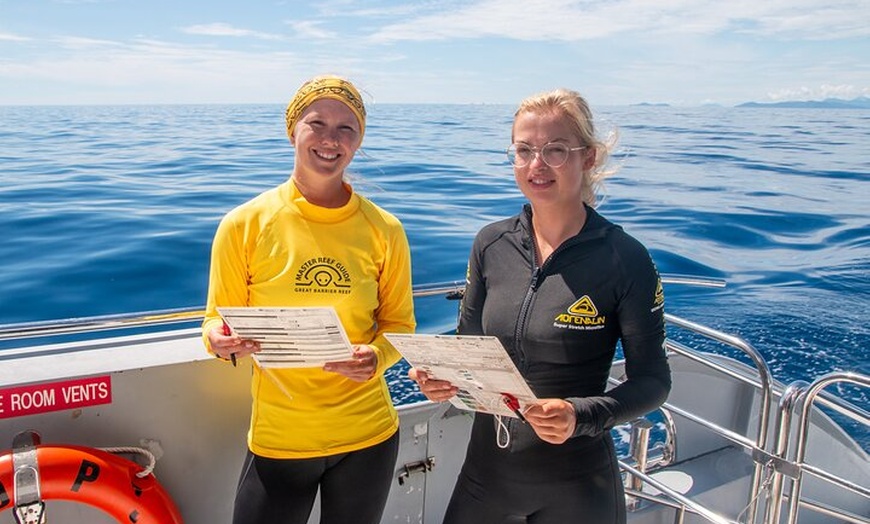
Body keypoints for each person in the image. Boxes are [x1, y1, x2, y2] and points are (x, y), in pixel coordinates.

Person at [409, 88, 671, 524]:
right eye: (524, 150)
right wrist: (441, 378)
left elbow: (653, 380)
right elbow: (469, 346)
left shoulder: (625, 259)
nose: (537, 165)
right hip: (486, 479)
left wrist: (580, 413)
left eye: (555, 150)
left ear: (587, 158)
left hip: (580, 487)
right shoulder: (491, 244)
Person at [202, 74, 416, 524]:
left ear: (358, 141)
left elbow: (400, 326)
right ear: (292, 130)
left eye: (346, 129)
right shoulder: (243, 224)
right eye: (316, 123)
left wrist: (376, 357)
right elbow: (213, 321)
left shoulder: (386, 230)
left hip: (368, 435)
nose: (330, 140)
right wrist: (219, 341)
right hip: (280, 438)